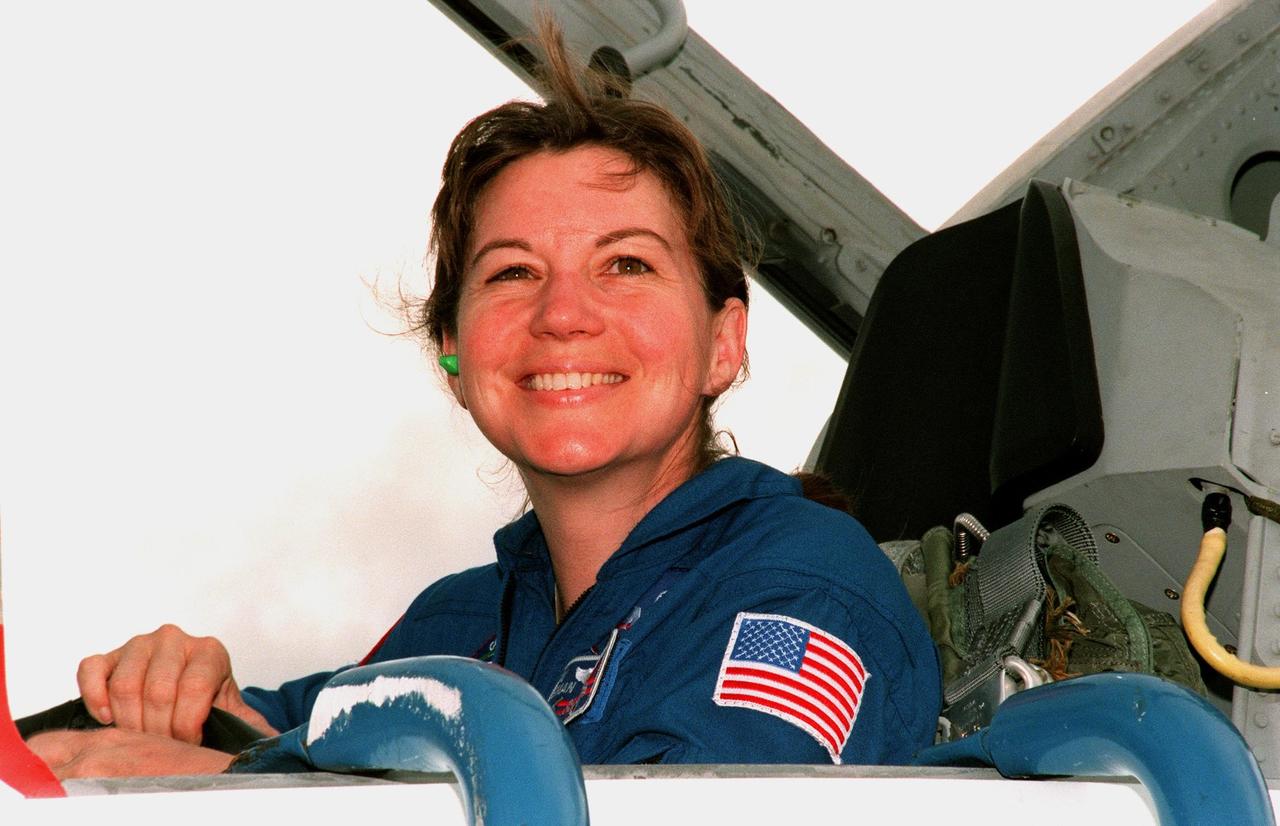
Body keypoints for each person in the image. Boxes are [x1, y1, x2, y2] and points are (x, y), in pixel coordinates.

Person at [27, 28, 940, 778]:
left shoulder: (800, 594)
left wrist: (224, 785)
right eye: (512, 273)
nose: (564, 315)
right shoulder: (464, 624)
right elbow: (294, 730)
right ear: (456, 359)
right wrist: (191, 700)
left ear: (724, 343)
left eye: (626, 264)